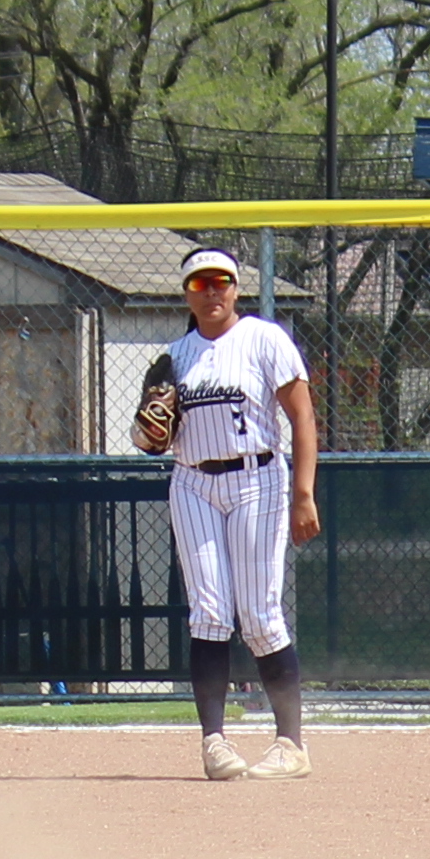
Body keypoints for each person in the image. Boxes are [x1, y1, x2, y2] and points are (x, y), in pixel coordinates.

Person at [157, 244, 322, 780]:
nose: (211, 292)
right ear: (187, 294)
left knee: (258, 612)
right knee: (208, 612)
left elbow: (302, 417)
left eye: (221, 281)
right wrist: (148, 431)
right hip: (192, 481)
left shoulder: (263, 338)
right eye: (199, 284)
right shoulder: (175, 356)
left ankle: (291, 744)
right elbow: (154, 437)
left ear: (235, 288)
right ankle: (214, 743)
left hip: (257, 477)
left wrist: (304, 493)